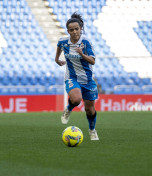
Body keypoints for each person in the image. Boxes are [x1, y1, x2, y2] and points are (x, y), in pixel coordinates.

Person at [55, 12, 99, 140]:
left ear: (81, 29)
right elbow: (59, 47)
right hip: (72, 77)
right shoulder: (63, 41)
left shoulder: (86, 42)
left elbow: (93, 61)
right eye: (71, 30)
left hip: (87, 79)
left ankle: (92, 130)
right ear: (68, 31)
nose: (74, 32)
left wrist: (82, 54)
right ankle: (68, 109)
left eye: (77, 29)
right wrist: (57, 59)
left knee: (90, 109)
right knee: (76, 99)